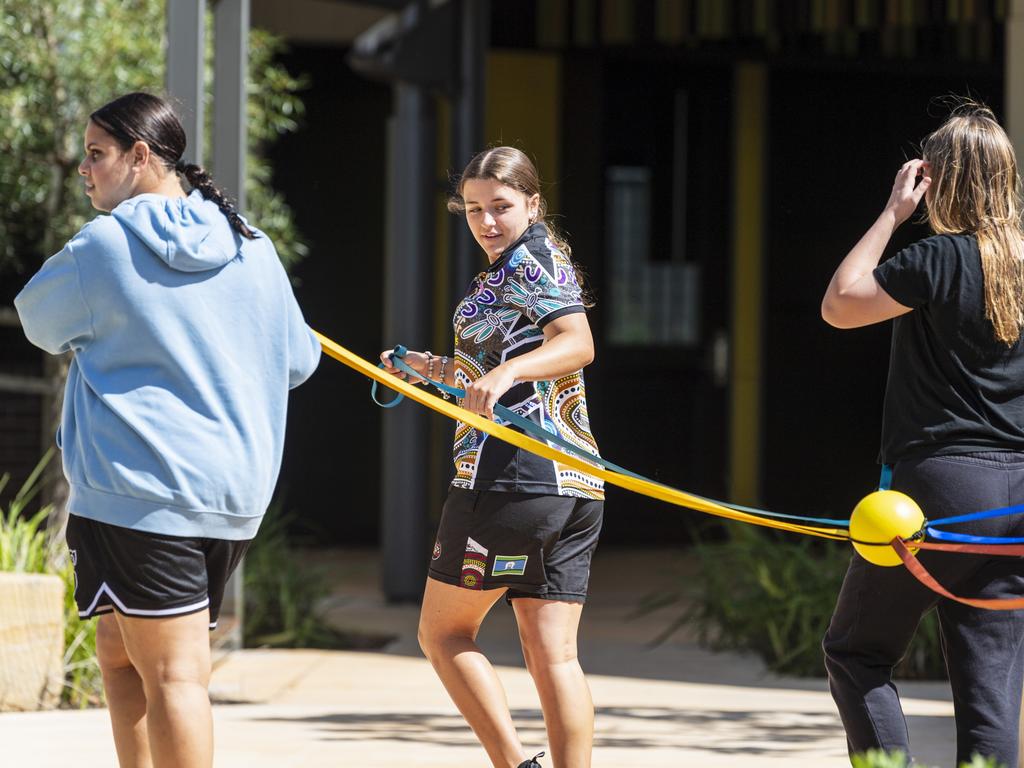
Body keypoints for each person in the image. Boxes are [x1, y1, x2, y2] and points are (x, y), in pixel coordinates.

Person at [15, 92, 321, 768]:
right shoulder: (253, 246)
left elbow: (38, 322)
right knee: (121, 658)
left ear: (141, 156)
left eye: (97, 155)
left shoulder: (105, 245)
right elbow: (299, 360)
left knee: (176, 677)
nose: (85, 170)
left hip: (142, 489)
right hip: (228, 497)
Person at [381, 146, 604, 768]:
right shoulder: (506, 271)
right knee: (551, 652)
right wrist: (435, 370)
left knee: (443, 632)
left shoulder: (533, 260)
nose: (487, 222)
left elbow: (576, 342)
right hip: (572, 486)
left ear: (533, 204)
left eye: (501, 207)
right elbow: (497, 370)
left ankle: (514, 765)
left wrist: (502, 375)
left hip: (512, 480)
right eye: (474, 209)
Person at [820, 102, 1024, 766]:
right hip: (1015, 499)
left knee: (855, 650)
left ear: (934, 179)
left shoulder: (937, 258)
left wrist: (890, 215)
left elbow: (840, 304)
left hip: (938, 487)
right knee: (990, 689)